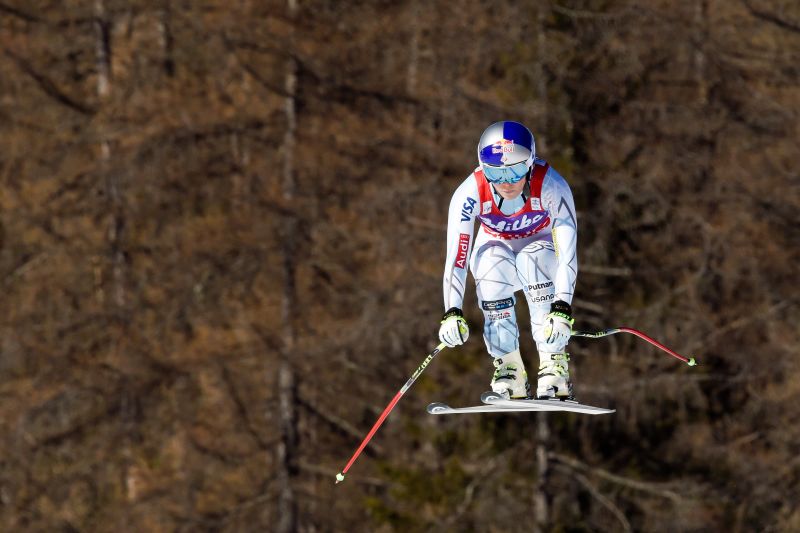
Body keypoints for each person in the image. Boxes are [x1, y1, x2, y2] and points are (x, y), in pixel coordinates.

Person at [438, 121, 578, 400]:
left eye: (515, 171)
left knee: (533, 259)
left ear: (530, 164)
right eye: (495, 172)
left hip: (542, 255)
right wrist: (451, 312)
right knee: (490, 266)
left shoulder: (551, 185)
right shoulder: (470, 193)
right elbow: (457, 258)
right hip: (497, 251)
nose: (506, 182)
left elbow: (568, 254)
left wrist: (562, 307)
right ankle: (509, 369)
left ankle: (553, 366)